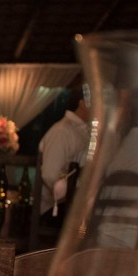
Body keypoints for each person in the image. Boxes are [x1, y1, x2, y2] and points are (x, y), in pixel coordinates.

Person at [38, 82, 91, 225]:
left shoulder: (85, 132)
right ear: (82, 103)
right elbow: (50, 174)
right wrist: (74, 195)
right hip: (56, 209)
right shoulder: (62, 131)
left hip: (74, 205)